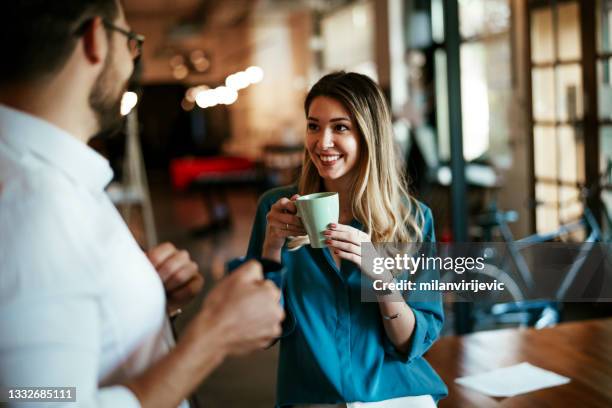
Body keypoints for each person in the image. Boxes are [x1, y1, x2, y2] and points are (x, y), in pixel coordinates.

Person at [0, 1, 284, 407]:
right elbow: (34, 398)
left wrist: (142, 305)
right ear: (96, 39)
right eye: (130, 40)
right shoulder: (33, 205)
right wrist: (213, 337)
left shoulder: (44, 180)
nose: (134, 57)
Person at [247, 72, 448, 407]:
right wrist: (270, 249)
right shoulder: (276, 210)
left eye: (340, 127)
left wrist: (379, 276)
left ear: (370, 136)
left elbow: (410, 343)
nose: (322, 142)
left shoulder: (413, 219)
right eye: (314, 126)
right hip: (312, 397)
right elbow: (260, 332)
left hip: (393, 396)